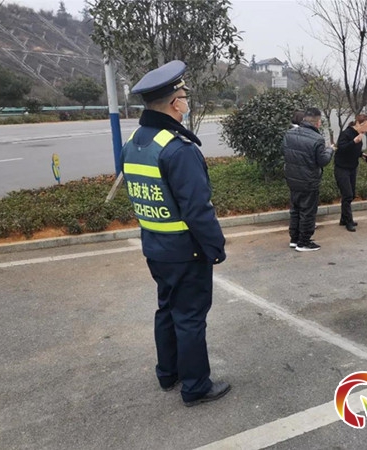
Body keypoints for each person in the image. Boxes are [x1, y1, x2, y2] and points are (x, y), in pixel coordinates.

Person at [121, 60, 230, 407]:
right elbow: (198, 210)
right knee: (190, 318)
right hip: (186, 251)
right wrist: (215, 247)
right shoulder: (178, 149)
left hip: (155, 247)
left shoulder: (135, 142)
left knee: (167, 310)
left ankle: (168, 373)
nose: (186, 101)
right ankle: (196, 387)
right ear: (173, 103)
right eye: (184, 96)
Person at [282, 107, 334, 251]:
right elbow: (323, 161)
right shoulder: (317, 139)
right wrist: (330, 150)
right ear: (318, 122)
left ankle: (294, 239)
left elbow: (285, 152)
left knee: (295, 210)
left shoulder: (289, 134)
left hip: (292, 179)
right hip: (309, 181)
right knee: (307, 212)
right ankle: (304, 242)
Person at [334, 114, 367, 231]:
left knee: (351, 195)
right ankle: (348, 221)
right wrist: (354, 142)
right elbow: (341, 148)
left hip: (352, 168)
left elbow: (354, 150)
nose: (366, 130)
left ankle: (343, 219)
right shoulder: (346, 134)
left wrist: (361, 154)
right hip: (342, 168)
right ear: (358, 123)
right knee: (347, 195)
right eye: (365, 127)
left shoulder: (359, 135)